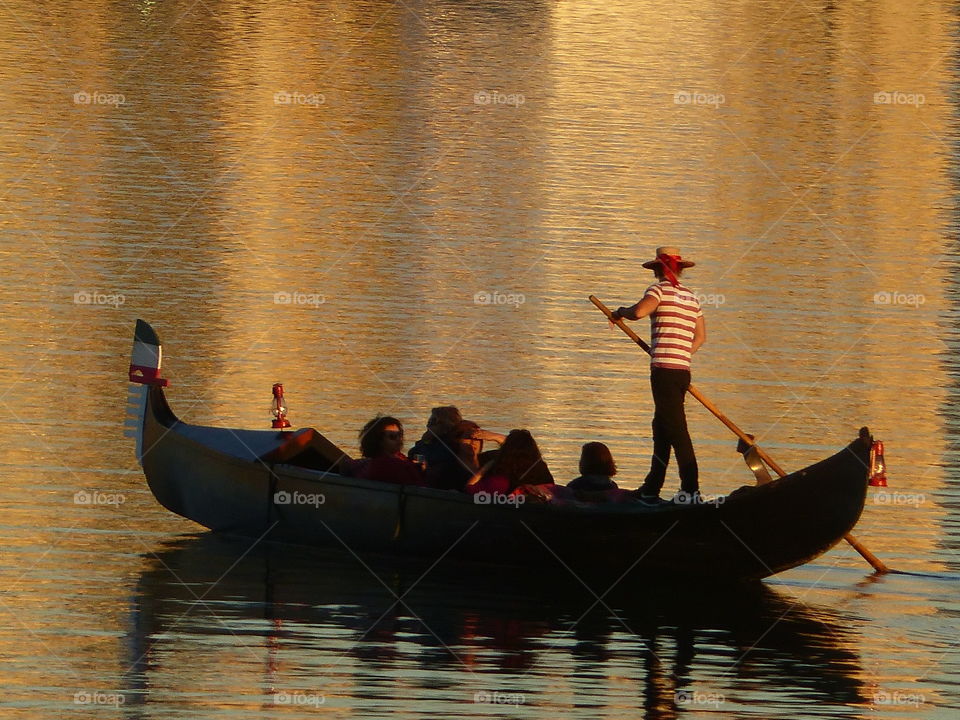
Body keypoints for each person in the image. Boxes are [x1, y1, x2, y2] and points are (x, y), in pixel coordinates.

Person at [610, 246, 706, 505]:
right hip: (681, 371)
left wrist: (620, 312)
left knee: (676, 430)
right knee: (662, 428)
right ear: (679, 269)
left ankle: (691, 491)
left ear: (657, 270)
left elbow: (639, 312)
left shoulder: (658, 290)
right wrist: (682, 354)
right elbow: (701, 337)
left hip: (664, 371)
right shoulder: (691, 297)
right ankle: (652, 488)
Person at [408, 406, 506, 490]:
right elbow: (416, 455)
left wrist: (496, 437)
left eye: (477, 438)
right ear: (457, 441)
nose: (472, 443)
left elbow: (515, 451)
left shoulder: (487, 459)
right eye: (467, 438)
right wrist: (425, 441)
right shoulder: (447, 464)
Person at [465, 429, 554, 498]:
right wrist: (496, 437)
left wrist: (484, 469)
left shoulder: (500, 479)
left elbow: (469, 489)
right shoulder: (541, 468)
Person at [347, 415, 425, 486]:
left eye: (400, 435)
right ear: (378, 441)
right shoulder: (389, 465)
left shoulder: (399, 459)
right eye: (392, 436)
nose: (399, 439)